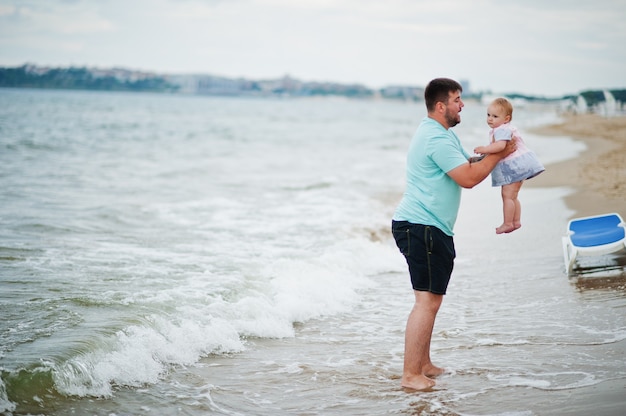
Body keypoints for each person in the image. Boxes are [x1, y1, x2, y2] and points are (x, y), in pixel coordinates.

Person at [391, 78, 516, 391]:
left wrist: (499, 151)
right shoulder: (437, 139)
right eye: (457, 99)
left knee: (431, 299)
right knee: (426, 302)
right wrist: (498, 156)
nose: (463, 105)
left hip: (429, 226)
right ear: (440, 106)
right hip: (422, 226)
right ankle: (410, 375)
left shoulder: (439, 134)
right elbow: (468, 178)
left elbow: (469, 163)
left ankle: (423, 365)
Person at [473, 98, 545, 234]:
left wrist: (484, 149)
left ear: (506, 119)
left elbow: (500, 146)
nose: (490, 119)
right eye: (488, 115)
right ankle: (516, 221)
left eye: (495, 116)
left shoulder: (501, 130)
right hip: (520, 163)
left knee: (507, 196)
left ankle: (507, 223)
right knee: (513, 196)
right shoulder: (506, 128)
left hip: (514, 166)